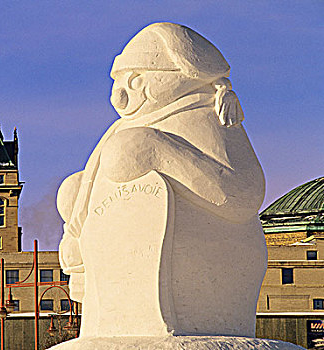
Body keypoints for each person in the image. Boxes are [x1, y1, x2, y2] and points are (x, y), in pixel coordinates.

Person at [57, 22, 267, 338]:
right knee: (73, 186)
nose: (121, 95)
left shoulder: (208, 115)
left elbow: (243, 196)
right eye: (118, 82)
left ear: (182, 76)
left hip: (205, 278)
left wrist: (160, 148)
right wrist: (75, 230)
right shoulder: (120, 130)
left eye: (137, 80)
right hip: (116, 291)